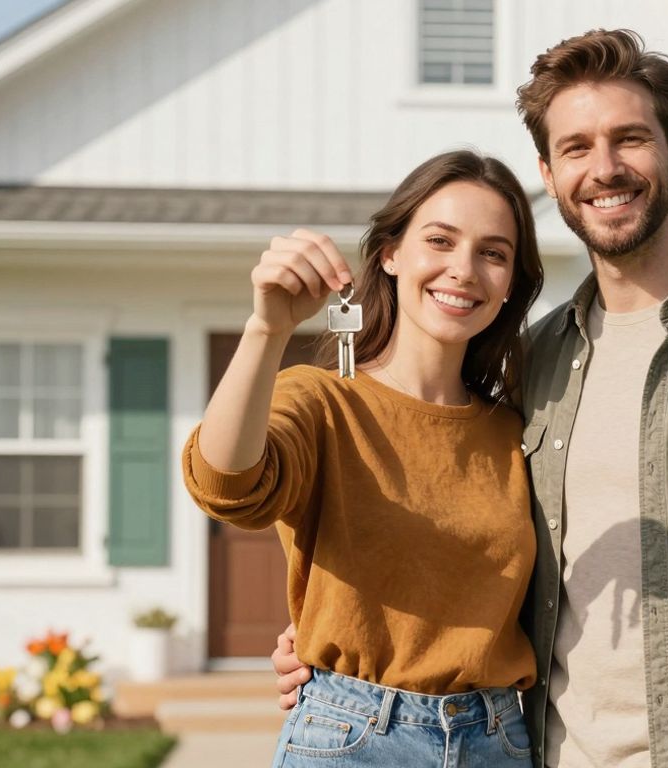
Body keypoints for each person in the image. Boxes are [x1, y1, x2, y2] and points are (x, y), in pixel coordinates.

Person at [274, 30, 668, 768]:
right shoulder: (532, 360)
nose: (604, 168)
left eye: (630, 139)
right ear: (549, 172)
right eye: (576, 147)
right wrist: (322, 638)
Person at [182, 149, 545, 766]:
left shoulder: (520, 427)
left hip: (498, 740)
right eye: (440, 240)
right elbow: (225, 485)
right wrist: (266, 329)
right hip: (352, 738)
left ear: (511, 283)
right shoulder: (322, 399)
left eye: (493, 253)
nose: (464, 269)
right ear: (390, 253)